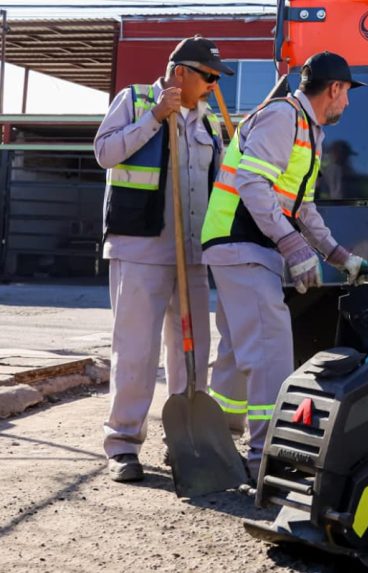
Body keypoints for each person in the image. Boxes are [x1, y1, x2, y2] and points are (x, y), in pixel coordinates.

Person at [200, 51, 368, 478]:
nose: (347, 104)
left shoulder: (309, 131)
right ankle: (265, 457)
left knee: (240, 349)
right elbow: (252, 183)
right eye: (346, 94)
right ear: (334, 89)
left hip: (242, 242)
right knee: (271, 348)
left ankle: (216, 442)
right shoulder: (282, 117)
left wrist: (338, 255)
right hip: (241, 239)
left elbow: (302, 204)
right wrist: (293, 246)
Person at [94, 36, 232, 482]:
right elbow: (104, 153)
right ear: (181, 73)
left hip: (191, 254)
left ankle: (185, 443)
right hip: (141, 251)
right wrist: (156, 118)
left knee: (192, 353)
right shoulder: (134, 101)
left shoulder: (209, 122)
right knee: (135, 351)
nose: (214, 85)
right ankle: (122, 445)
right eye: (208, 77)